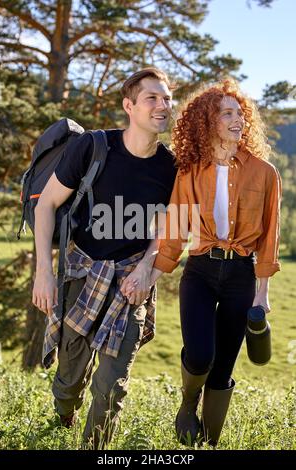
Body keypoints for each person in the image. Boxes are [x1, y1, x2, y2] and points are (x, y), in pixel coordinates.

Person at [32, 67, 177, 449]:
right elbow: (47, 204)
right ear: (129, 106)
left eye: (166, 98)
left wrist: (147, 269)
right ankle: (65, 415)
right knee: (68, 382)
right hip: (82, 273)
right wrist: (43, 272)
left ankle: (95, 450)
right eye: (152, 98)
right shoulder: (94, 147)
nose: (163, 105)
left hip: (132, 281)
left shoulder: (172, 166)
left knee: (111, 387)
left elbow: (170, 229)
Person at [150, 78, 282, 447]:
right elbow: (175, 229)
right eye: (227, 113)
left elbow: (270, 236)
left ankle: (208, 443)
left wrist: (263, 293)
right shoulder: (190, 171)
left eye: (240, 113)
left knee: (223, 368)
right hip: (201, 271)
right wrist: (152, 274)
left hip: (242, 274)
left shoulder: (265, 172)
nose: (237, 119)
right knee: (200, 354)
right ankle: (187, 403)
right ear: (208, 121)